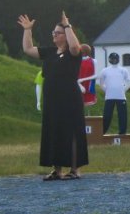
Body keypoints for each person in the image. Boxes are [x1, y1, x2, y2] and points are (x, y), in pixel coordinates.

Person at [18, 12, 88, 180]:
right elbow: (28, 49)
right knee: (54, 130)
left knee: (71, 131)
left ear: (66, 35)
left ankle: (74, 169)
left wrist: (67, 26)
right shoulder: (50, 52)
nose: (54, 35)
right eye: (53, 32)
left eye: (58, 33)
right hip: (52, 99)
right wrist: (27, 30)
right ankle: (57, 170)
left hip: (69, 98)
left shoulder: (73, 53)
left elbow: (75, 47)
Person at [97, 52, 130, 135]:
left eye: (115, 59)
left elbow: (128, 82)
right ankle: (102, 133)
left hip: (121, 97)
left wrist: (122, 90)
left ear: (118, 59)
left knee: (122, 116)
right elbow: (101, 83)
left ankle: (122, 133)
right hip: (109, 97)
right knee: (107, 116)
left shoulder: (123, 70)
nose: (114, 60)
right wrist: (107, 90)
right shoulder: (105, 70)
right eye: (112, 59)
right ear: (109, 59)